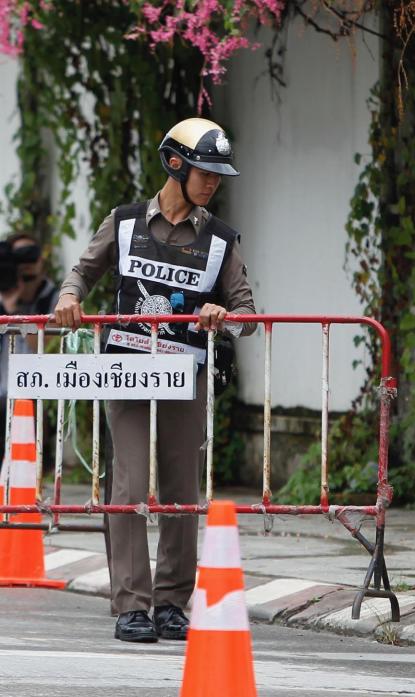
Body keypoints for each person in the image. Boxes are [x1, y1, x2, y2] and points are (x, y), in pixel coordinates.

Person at [54, 117, 256, 643]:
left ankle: (170, 602)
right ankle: (131, 604)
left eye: (218, 176)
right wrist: (69, 298)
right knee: (127, 484)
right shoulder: (123, 224)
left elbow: (248, 313)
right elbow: (83, 272)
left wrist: (222, 313)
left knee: (180, 491)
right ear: (176, 164)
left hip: (184, 378)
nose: (212, 183)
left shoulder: (219, 240)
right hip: (125, 372)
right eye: (204, 172)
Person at [0, 234, 58, 450]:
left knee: (31, 461)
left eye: (30, 256)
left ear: (41, 262)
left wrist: (16, 313)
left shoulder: (53, 297)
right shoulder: (2, 295)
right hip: (3, 392)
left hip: (36, 393)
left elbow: (50, 346)